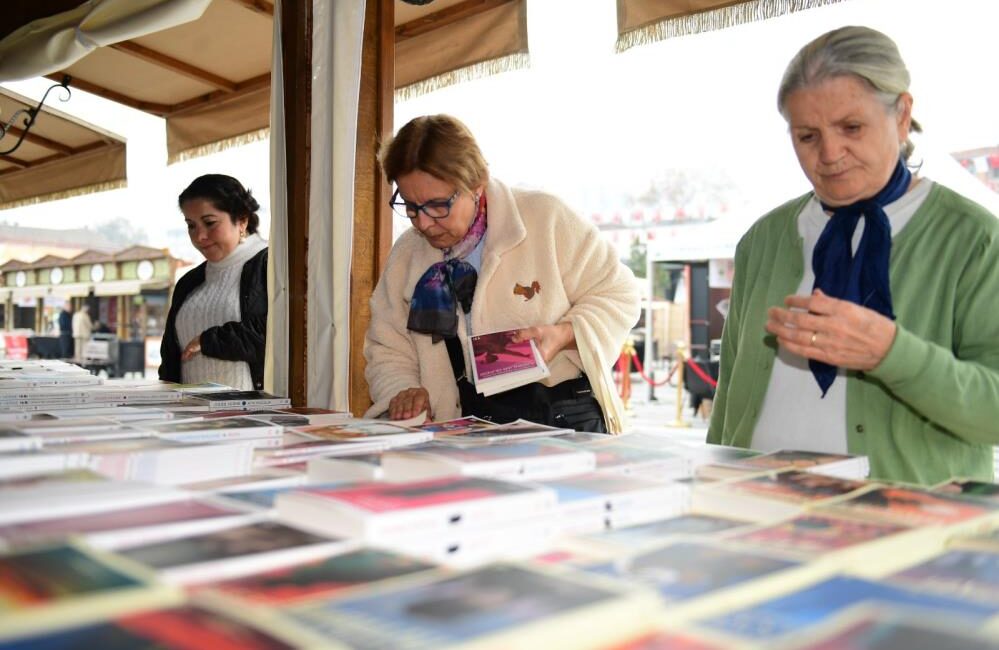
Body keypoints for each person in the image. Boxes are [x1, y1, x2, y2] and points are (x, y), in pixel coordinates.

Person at [708, 26, 999, 485]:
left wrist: (892, 353)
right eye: (807, 136)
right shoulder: (762, 240)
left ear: (902, 115)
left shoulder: (975, 241)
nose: (830, 153)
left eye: (851, 127)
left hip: (907, 533)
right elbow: (729, 400)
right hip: (756, 517)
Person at [365, 115, 639, 433]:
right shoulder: (408, 254)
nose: (423, 223)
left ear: (477, 183)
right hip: (463, 429)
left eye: (438, 205)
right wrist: (402, 390)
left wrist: (564, 335)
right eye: (410, 206)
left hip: (558, 422)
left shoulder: (545, 218)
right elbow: (387, 345)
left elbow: (620, 294)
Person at [159, 174, 268, 390]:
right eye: (191, 225)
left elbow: (275, 335)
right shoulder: (189, 282)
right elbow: (170, 358)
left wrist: (209, 341)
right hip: (191, 416)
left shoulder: (270, 266)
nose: (199, 236)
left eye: (210, 223)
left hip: (253, 418)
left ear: (242, 220)